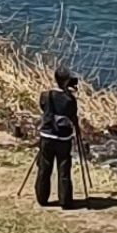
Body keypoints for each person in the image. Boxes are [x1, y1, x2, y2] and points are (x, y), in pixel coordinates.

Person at [35, 66, 80, 208]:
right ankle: (65, 200)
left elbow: (43, 107)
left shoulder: (46, 95)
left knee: (44, 167)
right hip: (63, 138)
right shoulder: (69, 100)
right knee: (64, 168)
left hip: (47, 136)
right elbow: (73, 115)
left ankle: (42, 198)